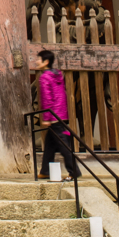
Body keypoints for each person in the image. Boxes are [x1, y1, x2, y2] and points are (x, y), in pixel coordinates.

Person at [37, 49, 80, 181]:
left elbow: (47, 98)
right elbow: (61, 95)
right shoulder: (58, 76)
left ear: (46, 62)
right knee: (50, 144)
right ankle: (45, 171)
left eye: (39, 59)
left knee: (63, 145)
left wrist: (47, 117)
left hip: (53, 115)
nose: (37, 62)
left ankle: (74, 171)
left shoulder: (45, 77)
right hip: (61, 113)